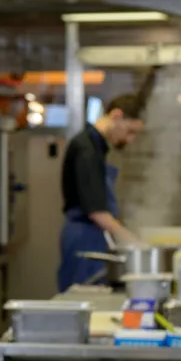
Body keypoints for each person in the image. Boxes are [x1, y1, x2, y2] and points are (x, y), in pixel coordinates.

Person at [56, 93, 145, 292]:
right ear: (116, 116)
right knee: (83, 301)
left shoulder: (96, 147)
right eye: (130, 131)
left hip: (93, 236)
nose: (130, 140)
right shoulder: (86, 149)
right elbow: (97, 212)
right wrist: (135, 244)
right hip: (84, 239)